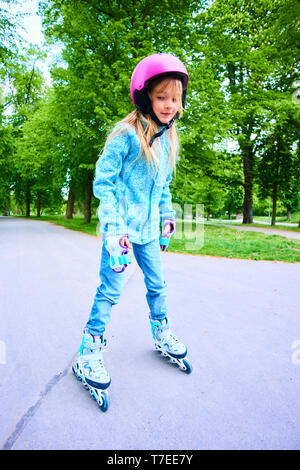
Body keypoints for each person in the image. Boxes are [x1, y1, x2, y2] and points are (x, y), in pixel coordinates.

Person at [72, 53, 192, 410]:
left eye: (175, 98)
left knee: (157, 284)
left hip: (148, 233)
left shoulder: (169, 139)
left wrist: (167, 217)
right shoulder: (125, 135)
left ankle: (161, 333)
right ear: (145, 97)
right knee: (110, 291)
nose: (170, 105)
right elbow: (104, 183)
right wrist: (112, 229)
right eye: (162, 97)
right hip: (122, 233)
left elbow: (164, 185)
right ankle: (89, 349)